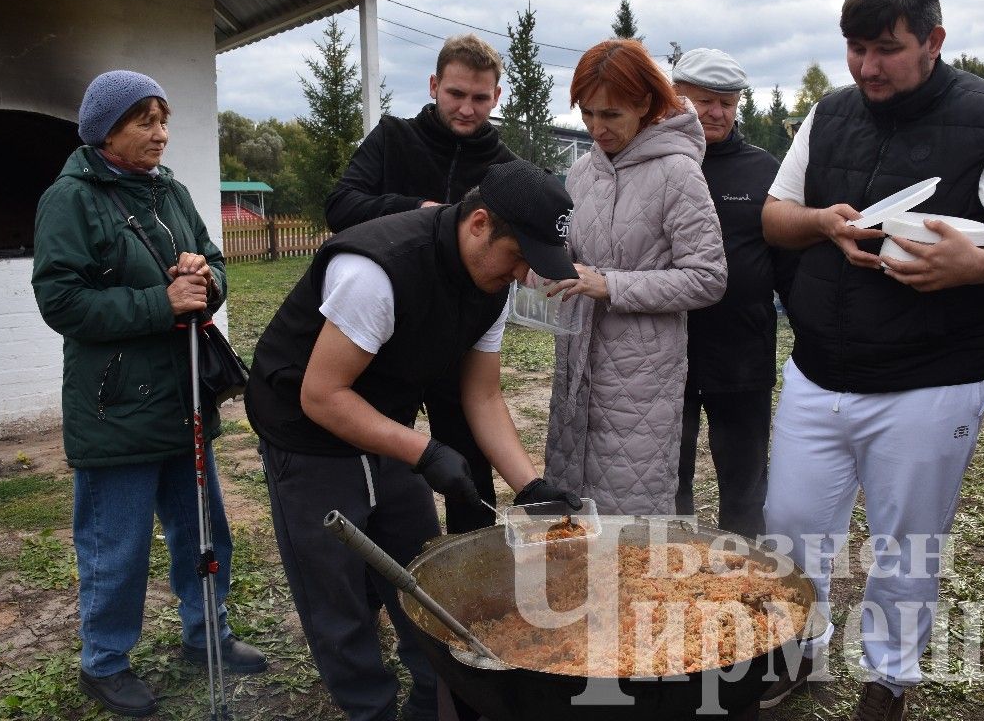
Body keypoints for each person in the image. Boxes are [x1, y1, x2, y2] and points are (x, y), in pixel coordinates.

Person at [759, 0, 984, 719]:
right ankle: (800, 646)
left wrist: (979, 264)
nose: (866, 66)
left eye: (885, 48)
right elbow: (775, 215)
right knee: (792, 527)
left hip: (932, 380)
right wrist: (824, 223)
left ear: (933, 39)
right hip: (818, 370)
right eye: (855, 48)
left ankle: (889, 680)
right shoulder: (829, 113)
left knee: (907, 546)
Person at [245, 160, 582, 721]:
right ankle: (369, 709)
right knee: (338, 599)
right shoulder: (376, 271)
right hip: (305, 432)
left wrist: (530, 485)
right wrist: (422, 451)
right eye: (520, 256)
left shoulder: (489, 285)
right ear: (478, 224)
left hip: (382, 420)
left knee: (425, 587)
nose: (525, 275)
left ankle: (432, 703)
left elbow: (483, 397)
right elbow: (323, 396)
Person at [32, 70, 266, 718]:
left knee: (203, 528)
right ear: (106, 130)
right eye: (145, 121)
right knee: (117, 543)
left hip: (183, 394)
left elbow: (212, 263)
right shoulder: (70, 199)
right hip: (115, 406)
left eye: (164, 119)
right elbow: (61, 300)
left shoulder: (171, 193)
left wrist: (202, 275)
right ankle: (104, 662)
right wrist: (158, 303)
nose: (161, 133)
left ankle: (206, 634)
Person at [325, 33, 516, 534]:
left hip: (460, 332)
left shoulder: (506, 168)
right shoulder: (393, 138)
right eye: (456, 94)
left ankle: (475, 560)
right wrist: (418, 212)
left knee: (469, 457)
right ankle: (380, 561)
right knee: (379, 452)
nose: (467, 108)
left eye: (480, 98)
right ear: (434, 86)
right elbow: (341, 207)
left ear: (496, 97)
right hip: (387, 331)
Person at [542, 38, 728, 516]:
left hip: (642, 377)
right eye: (587, 113)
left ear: (645, 104)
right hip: (578, 363)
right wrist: (544, 263)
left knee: (630, 517)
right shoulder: (581, 172)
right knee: (571, 509)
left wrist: (612, 285)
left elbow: (708, 277)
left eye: (611, 115)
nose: (596, 128)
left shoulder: (678, 172)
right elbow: (573, 251)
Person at [668, 48, 797, 536]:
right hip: (667, 354)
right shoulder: (656, 161)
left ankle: (741, 582)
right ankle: (668, 580)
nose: (717, 113)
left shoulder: (763, 171)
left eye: (727, 101)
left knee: (745, 489)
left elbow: (787, 264)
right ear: (677, 97)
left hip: (742, 355)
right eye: (704, 101)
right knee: (667, 484)